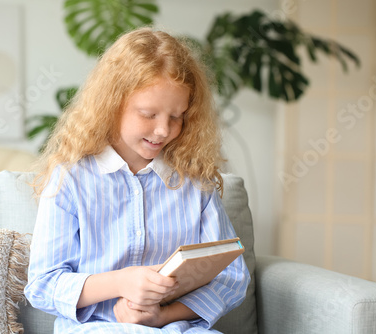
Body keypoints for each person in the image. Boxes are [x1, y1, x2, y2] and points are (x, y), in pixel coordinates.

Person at [24, 27, 250, 333]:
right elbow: (43, 285)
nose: (163, 131)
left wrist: (161, 317)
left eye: (177, 117)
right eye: (148, 114)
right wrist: (121, 282)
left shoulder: (194, 183)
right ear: (111, 104)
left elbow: (232, 278)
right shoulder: (71, 180)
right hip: (98, 328)